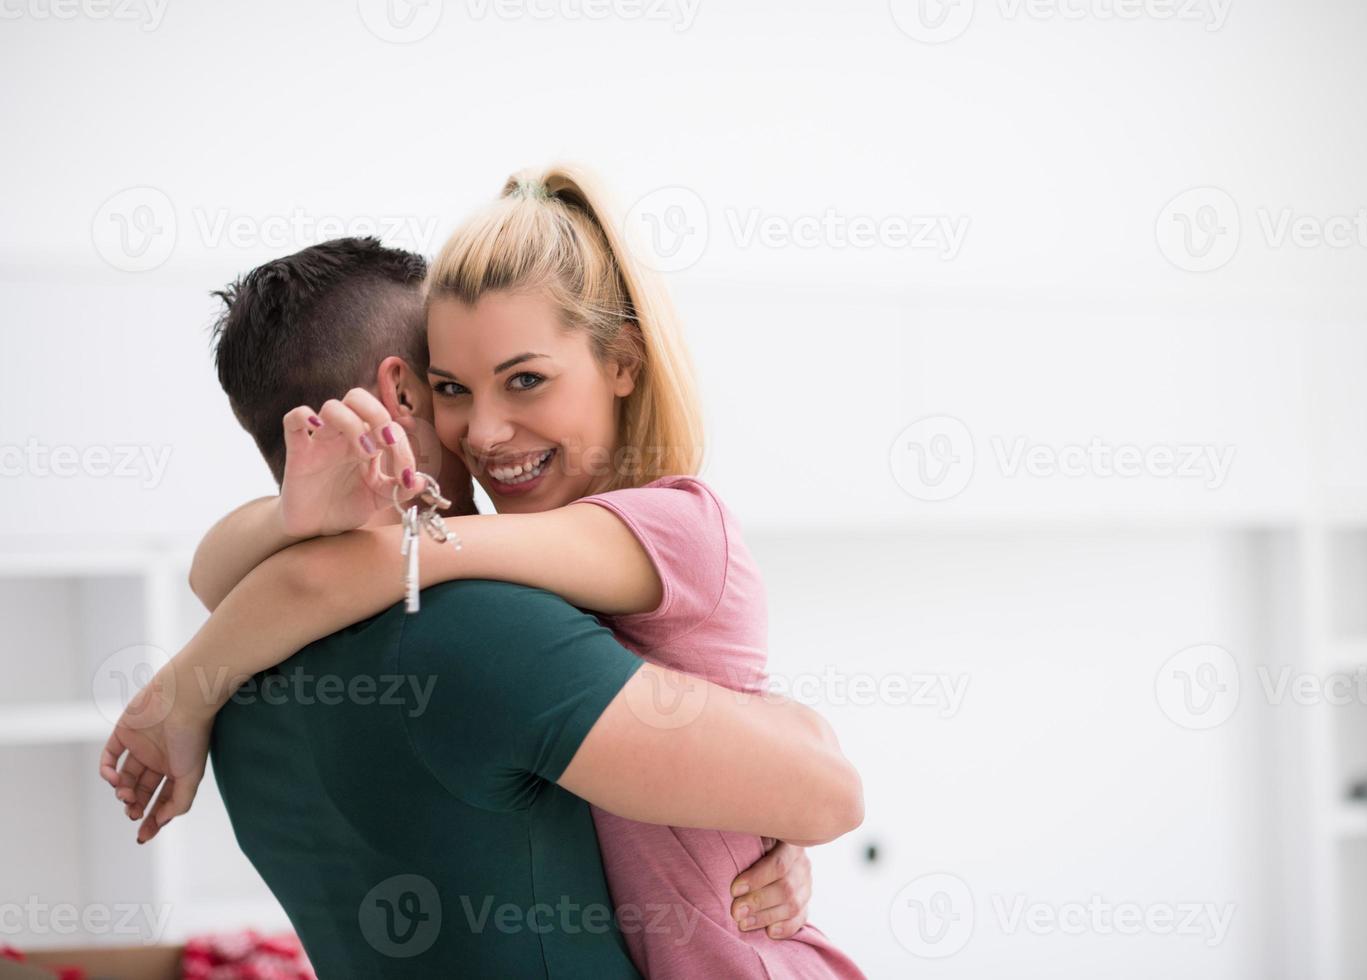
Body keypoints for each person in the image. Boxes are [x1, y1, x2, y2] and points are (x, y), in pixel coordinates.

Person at [102, 167, 866, 977]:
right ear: (406, 388)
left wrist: (187, 686)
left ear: (624, 364)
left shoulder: (258, 694)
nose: (487, 431)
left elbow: (321, 568)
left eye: (525, 379)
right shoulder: (486, 619)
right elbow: (296, 569)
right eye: (452, 388)